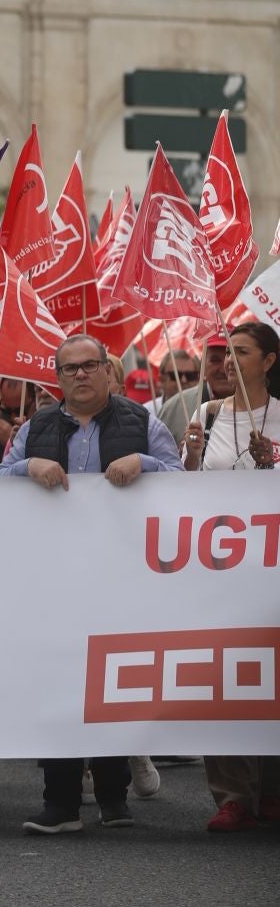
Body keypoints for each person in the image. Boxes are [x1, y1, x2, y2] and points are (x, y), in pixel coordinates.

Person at [0, 332, 182, 836]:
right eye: (69, 368)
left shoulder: (142, 422)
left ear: (107, 370)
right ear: (57, 378)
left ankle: (112, 796)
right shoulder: (36, 425)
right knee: (59, 681)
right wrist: (27, 467)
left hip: (121, 575)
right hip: (51, 577)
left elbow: (183, 480)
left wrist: (143, 463)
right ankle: (59, 802)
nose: (80, 375)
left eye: (89, 366)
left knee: (112, 682)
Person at [183, 319, 280, 832]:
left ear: (268, 361)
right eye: (224, 354)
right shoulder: (208, 414)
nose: (227, 363)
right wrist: (193, 456)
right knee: (221, 678)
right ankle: (232, 794)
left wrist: (272, 468)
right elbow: (183, 496)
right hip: (217, 574)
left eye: (241, 353)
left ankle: (271, 792)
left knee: (272, 678)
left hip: (271, 575)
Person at [159, 332, 233, 447]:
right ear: (203, 365)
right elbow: (159, 459)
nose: (223, 369)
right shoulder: (174, 408)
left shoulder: (263, 406)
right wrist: (181, 459)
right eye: (215, 360)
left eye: (232, 359)